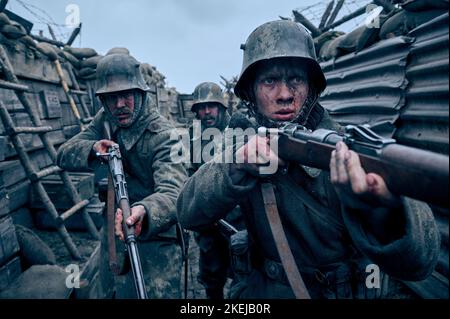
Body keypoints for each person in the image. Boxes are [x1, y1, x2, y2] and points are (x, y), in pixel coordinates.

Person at [176, 20, 440, 299]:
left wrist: (383, 211)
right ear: (251, 91)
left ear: (311, 86)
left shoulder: (341, 147)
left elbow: (420, 263)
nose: (285, 95)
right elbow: (187, 213)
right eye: (270, 81)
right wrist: (235, 166)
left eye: (295, 80)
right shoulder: (242, 143)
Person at [57, 53, 188, 298]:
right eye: (111, 98)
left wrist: (144, 211)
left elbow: (174, 193)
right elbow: (62, 154)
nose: (119, 105)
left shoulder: (166, 136)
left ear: (141, 93)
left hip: (155, 234)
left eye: (126, 95)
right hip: (113, 233)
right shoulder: (105, 121)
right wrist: (93, 149)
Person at [188, 82, 243, 299]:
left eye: (211, 106)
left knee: (243, 277)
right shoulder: (195, 137)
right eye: (202, 107)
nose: (207, 112)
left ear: (221, 108)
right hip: (209, 222)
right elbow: (192, 174)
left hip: (238, 221)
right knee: (212, 278)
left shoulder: (239, 132)